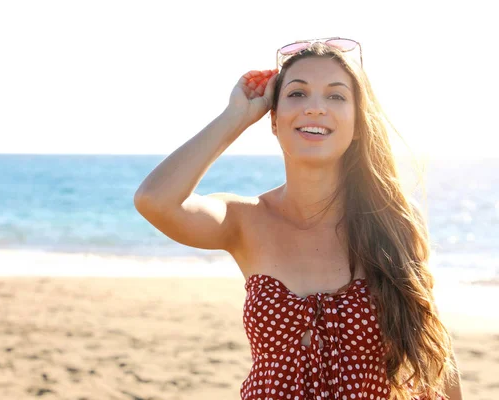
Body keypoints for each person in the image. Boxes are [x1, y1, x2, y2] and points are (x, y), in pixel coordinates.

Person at [134, 37, 462, 400]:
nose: (315, 108)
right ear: (273, 120)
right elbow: (154, 200)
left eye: (336, 96)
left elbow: (433, 349)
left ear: (357, 122)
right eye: (297, 94)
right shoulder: (244, 219)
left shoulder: (392, 219)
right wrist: (236, 117)